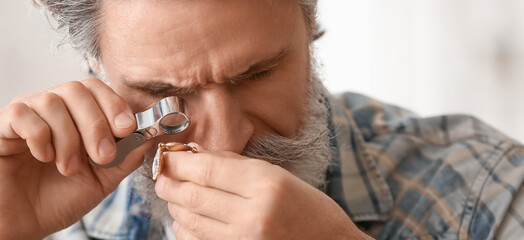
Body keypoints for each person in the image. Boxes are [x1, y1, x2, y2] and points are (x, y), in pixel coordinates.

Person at [1, 0, 523, 239]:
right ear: (97, 70)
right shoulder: (70, 214)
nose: (227, 141)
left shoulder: (487, 192)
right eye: (162, 94)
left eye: (259, 74)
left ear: (310, 26)